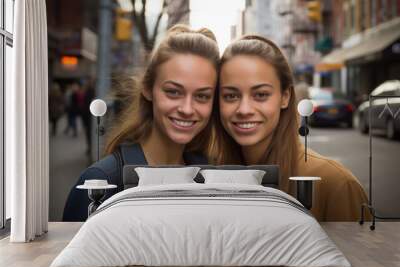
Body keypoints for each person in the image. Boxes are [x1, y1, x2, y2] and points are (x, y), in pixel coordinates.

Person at [63, 25, 220, 221]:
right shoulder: (101, 182)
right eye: (173, 92)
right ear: (147, 88)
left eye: (202, 96)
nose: (187, 108)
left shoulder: (211, 178)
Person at [211, 35, 369, 221]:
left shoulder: (336, 184)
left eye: (261, 95)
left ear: (285, 97)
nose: (244, 109)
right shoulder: (208, 178)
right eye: (230, 96)